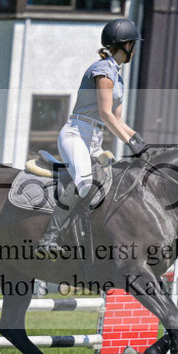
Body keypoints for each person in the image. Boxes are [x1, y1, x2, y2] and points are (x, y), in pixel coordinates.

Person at [36, 18, 148, 258]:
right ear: (126, 45)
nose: (135, 49)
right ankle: (49, 238)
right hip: (77, 134)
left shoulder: (117, 77)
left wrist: (138, 140)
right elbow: (107, 115)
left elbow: (118, 121)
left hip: (94, 139)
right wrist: (128, 143)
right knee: (85, 183)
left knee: (115, 181)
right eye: (134, 44)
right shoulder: (103, 71)